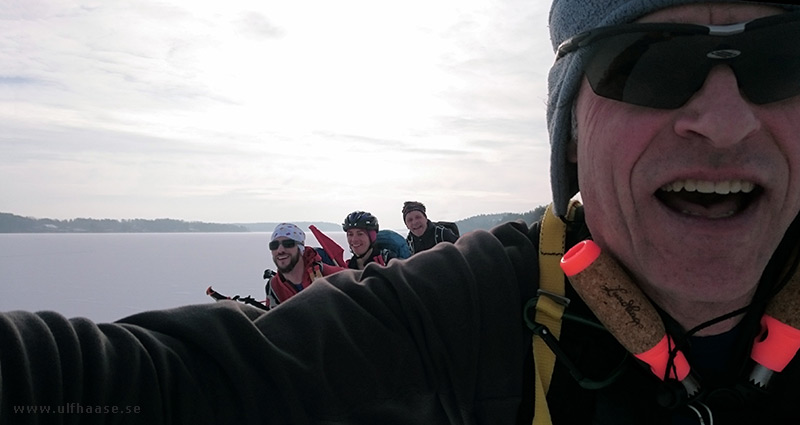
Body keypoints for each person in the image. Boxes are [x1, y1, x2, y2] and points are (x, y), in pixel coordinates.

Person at [3, 1, 800, 424]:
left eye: (780, 59)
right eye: (651, 66)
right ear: (570, 127)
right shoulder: (475, 314)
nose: (723, 121)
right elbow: (179, 392)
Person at [264, 223, 344, 309]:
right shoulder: (274, 288)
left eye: (288, 244)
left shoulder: (334, 277)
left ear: (301, 248)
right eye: (274, 245)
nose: (280, 250)